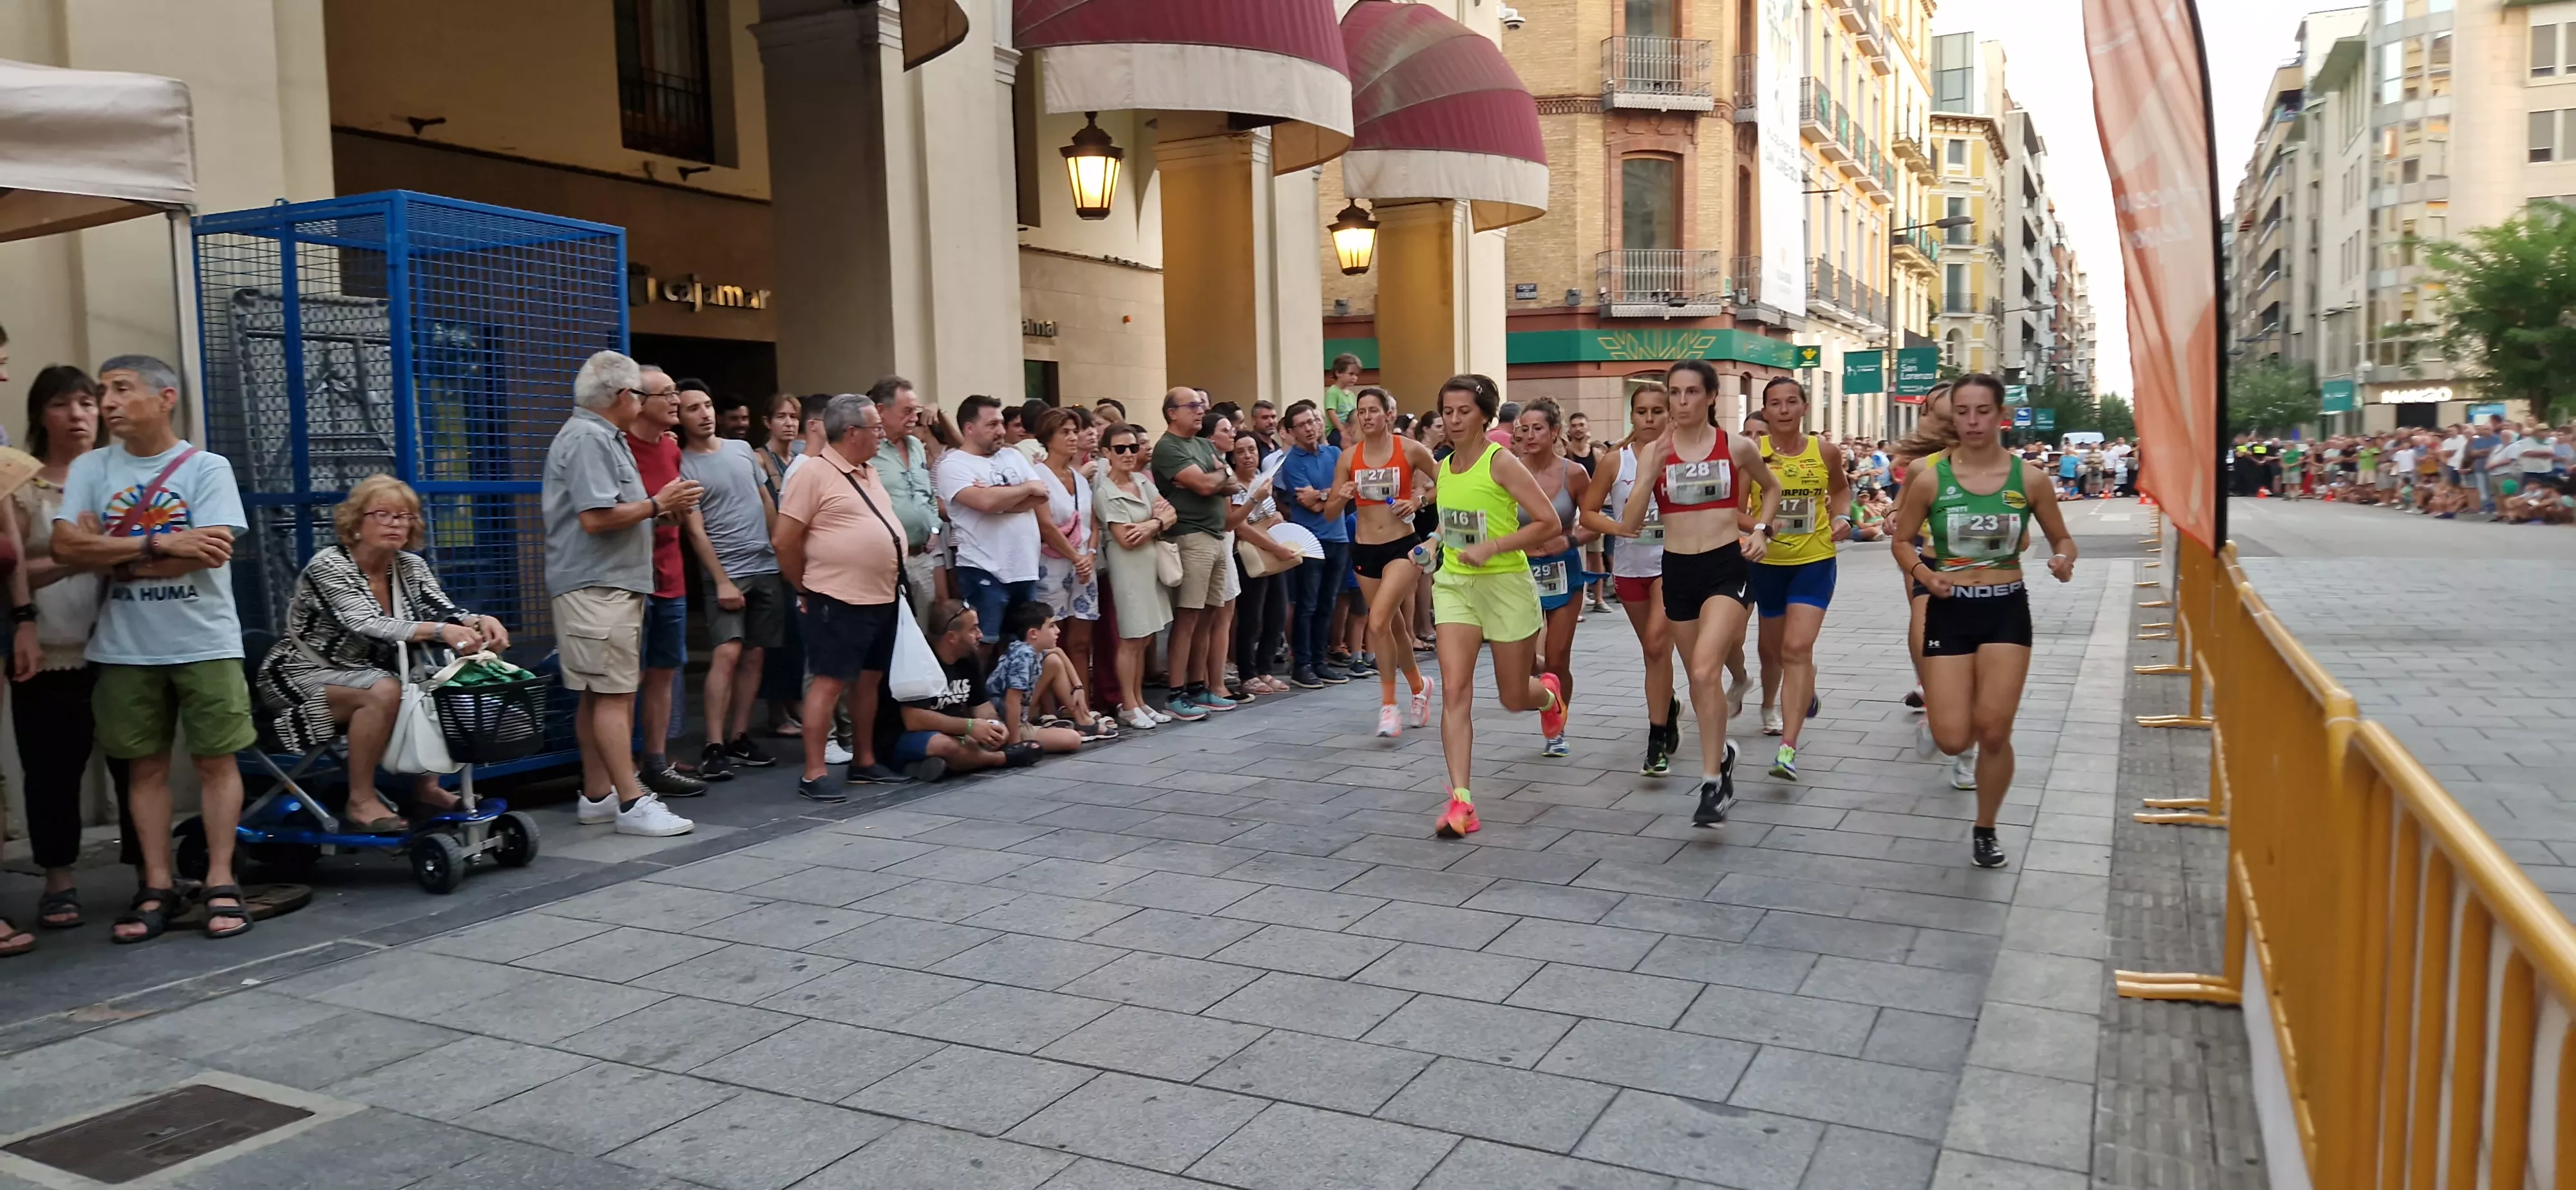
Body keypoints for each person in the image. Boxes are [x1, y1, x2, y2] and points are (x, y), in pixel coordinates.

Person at [50, 355, 260, 941]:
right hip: (125, 647)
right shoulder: (93, 466)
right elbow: (66, 548)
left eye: (121, 389)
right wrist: (161, 542)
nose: (108, 403)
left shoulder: (207, 467)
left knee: (216, 760)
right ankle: (157, 885)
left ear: (165, 397)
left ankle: (221, 879)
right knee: (143, 767)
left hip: (204, 640)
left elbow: (213, 549)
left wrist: (114, 550)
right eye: (103, 392)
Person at [1888, 373, 2078, 868]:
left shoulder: (2029, 479)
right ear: (1955, 417)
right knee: (1954, 737)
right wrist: (1923, 577)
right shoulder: (1931, 478)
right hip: (1950, 609)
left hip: (2005, 609)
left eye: (1983, 411)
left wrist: (2063, 560)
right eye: (1964, 411)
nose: (1973, 421)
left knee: (1994, 732)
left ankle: (1986, 827)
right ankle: (1944, 718)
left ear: (2000, 416)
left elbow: (2063, 538)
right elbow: (1902, 540)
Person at [254, 475, 507, 831]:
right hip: (301, 674)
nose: (396, 524)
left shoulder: (410, 566)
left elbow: (440, 610)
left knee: (438, 683)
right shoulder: (328, 566)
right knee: (384, 689)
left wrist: (479, 623)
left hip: (374, 672)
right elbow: (366, 622)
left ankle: (427, 789)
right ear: (356, 523)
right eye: (384, 514)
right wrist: (441, 631)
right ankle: (360, 800)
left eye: (405, 517)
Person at [1606, 359, 1783, 827]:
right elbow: (1629, 523)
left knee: (1706, 668)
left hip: (1726, 566)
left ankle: (1710, 785)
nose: (1680, 402)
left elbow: (1772, 487)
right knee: (1699, 680)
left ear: (1710, 398)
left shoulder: (1736, 446)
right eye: (1674, 394)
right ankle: (1721, 756)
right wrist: (1649, 474)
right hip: (1677, 568)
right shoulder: (1654, 453)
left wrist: (1761, 530)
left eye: (1689, 393)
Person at [540, 350, 701, 840]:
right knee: (613, 696)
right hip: (597, 585)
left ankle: (597, 796)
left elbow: (616, 511)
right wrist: (657, 504)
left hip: (606, 583)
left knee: (597, 695)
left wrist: (658, 511)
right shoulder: (590, 438)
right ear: (623, 397)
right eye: (642, 392)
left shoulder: (602, 436)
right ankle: (632, 801)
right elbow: (596, 517)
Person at [7, 366, 122, 949]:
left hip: (122, 651)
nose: (78, 414)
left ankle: (154, 875)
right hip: (46, 652)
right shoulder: (21, 487)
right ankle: (58, 880)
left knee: (136, 763)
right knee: (52, 774)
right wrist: (81, 558)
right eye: (62, 404)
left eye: (87, 402)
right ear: (40, 416)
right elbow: (12, 570)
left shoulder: (117, 479)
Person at [1426, 374, 1566, 838]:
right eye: (1447, 411)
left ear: (1486, 415)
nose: (1454, 420)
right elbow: (1453, 528)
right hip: (1455, 586)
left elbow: (1548, 522)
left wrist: (1496, 546)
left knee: (1512, 697)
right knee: (1455, 690)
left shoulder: (1501, 462)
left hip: (1505, 585)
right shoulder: (1444, 467)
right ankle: (1461, 802)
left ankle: (1548, 696)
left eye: (1463, 411)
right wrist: (1432, 546)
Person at [775, 394, 914, 795]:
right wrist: (803, 586)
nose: (882, 434)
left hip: (881, 595)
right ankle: (814, 772)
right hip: (835, 597)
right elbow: (784, 540)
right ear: (852, 432)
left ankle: (864, 761)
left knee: (869, 681)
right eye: (875, 428)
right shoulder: (813, 473)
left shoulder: (868, 470)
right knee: (829, 681)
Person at [1742, 378, 1850, 780]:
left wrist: (1842, 516)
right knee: (1771, 651)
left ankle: (1787, 748)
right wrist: (1754, 531)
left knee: (1796, 647)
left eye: (1791, 402)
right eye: (1775, 403)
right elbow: (1738, 510)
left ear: (1805, 407)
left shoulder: (1824, 451)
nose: (1784, 409)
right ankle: (1800, 688)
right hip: (1767, 566)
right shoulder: (1752, 453)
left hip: (1814, 560)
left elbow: (1841, 491)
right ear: (1765, 411)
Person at [677, 386, 782, 780]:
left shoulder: (742, 451)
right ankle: (714, 744)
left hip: (765, 566)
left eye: (706, 406)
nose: (703, 414)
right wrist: (721, 580)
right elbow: (695, 531)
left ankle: (739, 737)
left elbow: (766, 503)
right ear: (681, 417)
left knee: (755, 654)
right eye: (693, 409)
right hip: (726, 571)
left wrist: (780, 552)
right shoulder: (683, 464)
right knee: (727, 653)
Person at [1579, 382, 1680, 775]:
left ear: (1669, 415)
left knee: (1657, 644)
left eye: (1658, 411)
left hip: (1672, 563)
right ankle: (1667, 703)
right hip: (1630, 567)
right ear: (1632, 415)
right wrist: (1617, 528)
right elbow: (1588, 514)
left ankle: (1656, 742)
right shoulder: (1615, 460)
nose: (1650, 419)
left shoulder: (1681, 455)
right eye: (1642, 412)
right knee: (1652, 653)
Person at [620, 369, 710, 798]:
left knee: (663, 673)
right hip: (633, 578)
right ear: (640, 399)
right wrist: (658, 509)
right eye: (669, 394)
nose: (677, 400)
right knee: (627, 679)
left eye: (678, 391)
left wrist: (675, 510)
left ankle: (657, 762)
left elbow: (674, 508)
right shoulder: (620, 449)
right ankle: (625, 769)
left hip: (671, 574)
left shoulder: (672, 449)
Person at [1335, 388, 1435, 735]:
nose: (1366, 417)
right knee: (1394, 628)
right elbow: (1331, 511)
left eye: (1373, 410)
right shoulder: (1349, 456)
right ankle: (1420, 688)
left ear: (1389, 415)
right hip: (1365, 550)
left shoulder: (1409, 449)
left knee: (1377, 622)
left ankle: (1388, 706)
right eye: (1361, 411)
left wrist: (1418, 500)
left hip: (1403, 548)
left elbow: (1448, 483)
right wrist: (1341, 495)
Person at [884, 600, 1054, 778]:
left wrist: (995, 727)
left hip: (956, 732)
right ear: (952, 637)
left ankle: (935, 766)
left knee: (977, 741)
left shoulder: (969, 658)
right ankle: (1001, 759)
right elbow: (914, 719)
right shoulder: (920, 660)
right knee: (944, 745)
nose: (980, 635)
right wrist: (970, 726)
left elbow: (982, 706)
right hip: (906, 736)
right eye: (973, 629)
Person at [1151, 386, 1242, 718]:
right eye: (1192, 406)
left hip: (1217, 536)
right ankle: (1176, 693)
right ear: (1172, 412)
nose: (1200, 410)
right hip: (1191, 537)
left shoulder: (1203, 444)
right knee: (1188, 617)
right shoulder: (1167, 447)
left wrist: (1215, 476)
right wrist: (1215, 477)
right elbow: (1207, 486)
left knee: (1208, 615)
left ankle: (1198, 686)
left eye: (1201, 405)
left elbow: (1231, 484)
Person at [1510, 400, 1593, 758]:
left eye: (1537, 429)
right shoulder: (1509, 471)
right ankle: (1547, 692)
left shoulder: (1573, 474)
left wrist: (1568, 538)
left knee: (1558, 656)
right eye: (1523, 429)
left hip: (1563, 570)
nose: (1528, 436)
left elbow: (1592, 521)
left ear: (1554, 432)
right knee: (1526, 662)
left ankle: (1558, 727)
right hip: (1519, 573)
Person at [939, 394, 1048, 656]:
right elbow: (985, 503)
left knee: (1024, 644)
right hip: (984, 569)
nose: (1001, 430)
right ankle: (979, 696)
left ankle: (1014, 697)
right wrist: (1020, 490)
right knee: (983, 642)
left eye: (1001, 423)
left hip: (1024, 567)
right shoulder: (953, 464)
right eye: (992, 425)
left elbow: (1041, 494)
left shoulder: (1012, 455)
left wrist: (997, 495)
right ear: (969, 428)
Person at [1095, 422, 1176, 731]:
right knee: (1130, 639)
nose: (1129, 454)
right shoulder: (1106, 491)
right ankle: (1128, 705)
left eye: (1133, 447)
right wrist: (1156, 523)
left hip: (1150, 565)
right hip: (1128, 569)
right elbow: (1125, 537)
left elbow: (1171, 514)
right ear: (1107, 453)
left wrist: (1150, 525)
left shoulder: (1143, 482)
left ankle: (1140, 700)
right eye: (1120, 449)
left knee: (1145, 638)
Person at [1029, 407, 1104, 708]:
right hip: (1053, 565)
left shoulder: (1080, 478)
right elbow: (1045, 524)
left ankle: (1081, 705)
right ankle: (1049, 709)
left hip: (1085, 565)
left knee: (1081, 641)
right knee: (1050, 642)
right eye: (1066, 432)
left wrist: (1089, 553)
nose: (1074, 437)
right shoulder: (1037, 476)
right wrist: (1075, 557)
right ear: (1049, 438)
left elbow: (1093, 522)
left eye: (1075, 431)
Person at [1278, 401, 1349, 688]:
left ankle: (1320, 661)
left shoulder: (1335, 453)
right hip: (1308, 541)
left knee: (1327, 604)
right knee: (1307, 604)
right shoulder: (1292, 462)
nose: (1310, 428)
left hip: (1339, 536)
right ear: (1292, 432)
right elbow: (1311, 504)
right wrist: (1331, 495)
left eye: (1313, 421)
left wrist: (1322, 495)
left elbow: (1347, 490)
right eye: (1302, 425)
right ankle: (1303, 664)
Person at [1227, 428, 1298, 697]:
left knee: (1277, 612)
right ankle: (1248, 673)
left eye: (1252, 450)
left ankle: (1265, 668)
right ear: (1233, 457)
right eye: (1241, 452)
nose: (1248, 456)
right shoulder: (1234, 485)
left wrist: (1278, 518)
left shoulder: (1262, 479)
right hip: (1251, 556)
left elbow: (1271, 512)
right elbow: (1241, 527)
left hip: (1271, 554)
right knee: (1250, 617)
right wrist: (1275, 546)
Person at [990, 600, 1115, 739]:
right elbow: (1011, 701)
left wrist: (1078, 687)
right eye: (1052, 626)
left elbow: (1058, 652)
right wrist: (1015, 744)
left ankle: (1083, 721)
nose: (1058, 631)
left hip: (1023, 713)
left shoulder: (1031, 650)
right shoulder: (1023, 656)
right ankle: (1023, 737)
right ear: (1033, 633)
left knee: (1054, 661)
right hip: (1007, 724)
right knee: (1071, 740)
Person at [1562, 411, 1608, 612]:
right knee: (1578, 556)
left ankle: (1599, 598)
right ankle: (1579, 599)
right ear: (1569, 430)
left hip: (1592, 509)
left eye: (1582, 425)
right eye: (1574, 425)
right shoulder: (1567, 453)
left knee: (1596, 554)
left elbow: (1602, 479)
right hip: (1574, 511)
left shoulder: (1595, 453)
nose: (1578, 428)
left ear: (1587, 428)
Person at [1323, 354, 1363, 447]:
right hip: (1336, 430)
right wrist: (1342, 430)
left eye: (1356, 375)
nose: (1355, 378)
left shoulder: (1352, 395)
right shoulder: (1333, 392)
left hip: (1349, 429)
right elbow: (1331, 413)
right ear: (1338, 373)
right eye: (1351, 374)